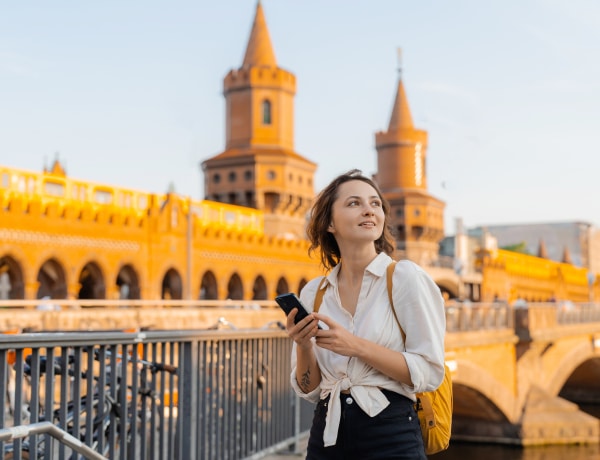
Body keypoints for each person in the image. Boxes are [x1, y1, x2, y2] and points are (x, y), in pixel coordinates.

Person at [285, 169, 446, 459]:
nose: (369, 210)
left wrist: (355, 346)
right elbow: (309, 389)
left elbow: (430, 372)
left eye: (375, 203)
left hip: (391, 434)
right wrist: (303, 344)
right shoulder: (314, 293)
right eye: (354, 203)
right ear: (330, 223)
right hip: (327, 436)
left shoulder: (404, 278)